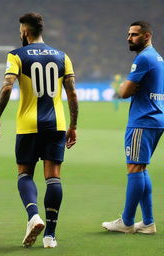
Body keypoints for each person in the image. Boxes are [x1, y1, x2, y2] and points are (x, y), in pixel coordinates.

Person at [0, 13, 78, 248]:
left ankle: (33, 216)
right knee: (53, 178)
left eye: (21, 30)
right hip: (57, 124)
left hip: (29, 124)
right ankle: (50, 236)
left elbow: (7, 86)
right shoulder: (62, 56)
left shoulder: (16, 55)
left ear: (26, 32)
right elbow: (72, 94)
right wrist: (73, 125)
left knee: (25, 174)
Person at [102, 21, 164, 234]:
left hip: (143, 120)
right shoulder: (157, 57)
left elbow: (125, 92)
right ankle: (147, 222)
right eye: (128, 34)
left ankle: (127, 222)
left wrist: (122, 87)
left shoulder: (144, 58)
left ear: (147, 36)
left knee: (134, 169)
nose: (129, 38)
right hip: (156, 118)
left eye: (134, 34)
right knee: (141, 168)